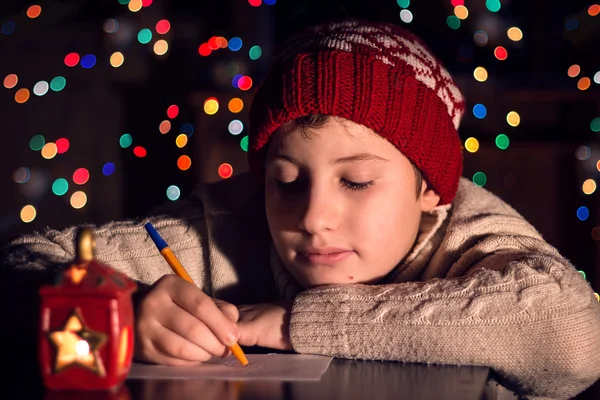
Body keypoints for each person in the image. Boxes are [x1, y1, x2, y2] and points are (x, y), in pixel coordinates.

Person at [2, 18, 600, 400]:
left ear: (431, 191)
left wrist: (298, 322)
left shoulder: (473, 233)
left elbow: (578, 340)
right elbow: (23, 262)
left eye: (358, 181)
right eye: (286, 181)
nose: (313, 216)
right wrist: (116, 308)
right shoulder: (225, 225)